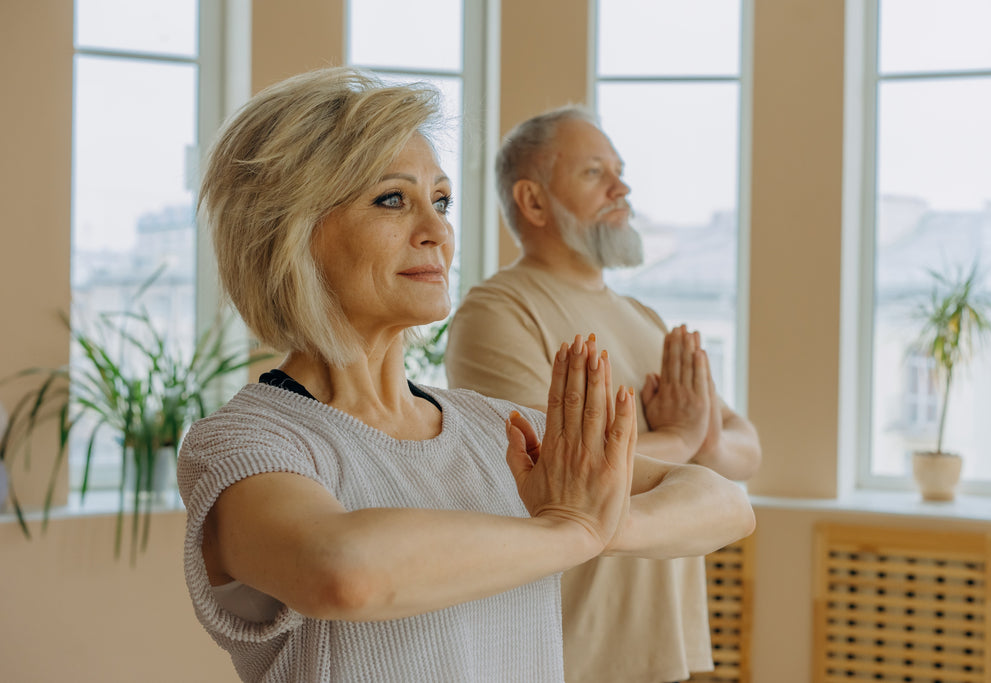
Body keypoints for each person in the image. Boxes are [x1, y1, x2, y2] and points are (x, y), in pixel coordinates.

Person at [177, 67, 755, 683]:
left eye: (442, 201)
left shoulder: (490, 428)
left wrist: (601, 524)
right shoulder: (245, 447)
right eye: (393, 199)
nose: (438, 232)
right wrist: (572, 528)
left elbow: (725, 502)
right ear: (291, 230)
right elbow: (344, 572)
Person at [445, 105, 762, 683]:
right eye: (595, 173)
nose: (623, 187)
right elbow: (554, 467)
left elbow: (746, 450)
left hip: (670, 652)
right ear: (533, 201)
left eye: (619, 170)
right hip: (566, 652)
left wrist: (702, 441)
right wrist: (687, 437)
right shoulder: (497, 312)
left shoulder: (643, 316)